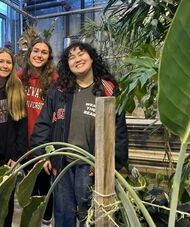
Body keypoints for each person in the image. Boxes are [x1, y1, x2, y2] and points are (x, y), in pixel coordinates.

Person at [31, 42, 129, 227]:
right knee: (63, 215)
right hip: (63, 165)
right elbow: (43, 124)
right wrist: (42, 154)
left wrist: (108, 164)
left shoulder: (107, 90)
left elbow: (119, 131)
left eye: (81, 54)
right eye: (71, 57)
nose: (77, 59)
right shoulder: (59, 90)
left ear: (91, 58)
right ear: (67, 65)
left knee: (90, 215)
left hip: (91, 166)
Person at [17, 38, 58, 226]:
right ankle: (33, 221)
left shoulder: (55, 80)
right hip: (24, 145)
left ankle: (46, 221)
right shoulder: (18, 78)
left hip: (44, 145)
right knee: (30, 186)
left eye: (43, 52)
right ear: (29, 53)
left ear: (48, 57)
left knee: (45, 187)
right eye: (36, 51)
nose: (39, 55)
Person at [0, 48, 28, 227]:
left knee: (7, 200)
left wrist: (17, 156)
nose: (4, 65)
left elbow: (22, 126)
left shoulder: (16, 88)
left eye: (8, 62)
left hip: (8, 156)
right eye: (1, 61)